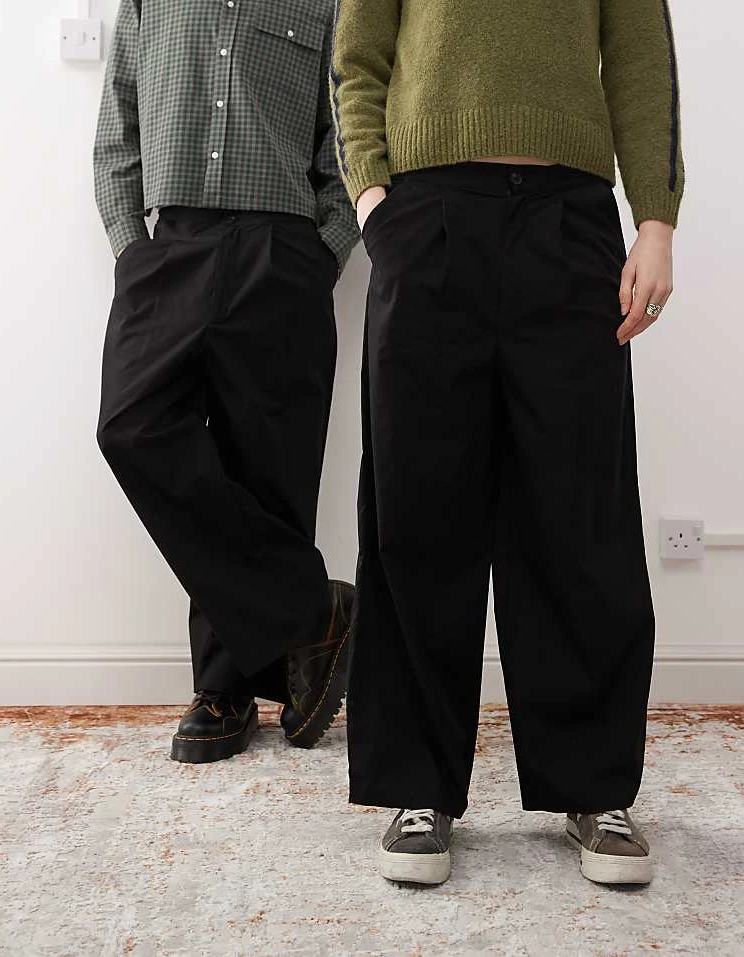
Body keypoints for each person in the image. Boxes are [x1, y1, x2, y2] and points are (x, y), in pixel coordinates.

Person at [331, 0, 683, 885]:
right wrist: (374, 202)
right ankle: (418, 786)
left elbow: (642, 59)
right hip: (426, 214)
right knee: (417, 506)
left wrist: (655, 220)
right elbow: (357, 57)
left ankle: (594, 786)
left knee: (580, 510)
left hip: (569, 219)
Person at [94, 0, 359, 763]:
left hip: (282, 252)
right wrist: (132, 249)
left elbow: (348, 137)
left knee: (267, 467)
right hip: (171, 246)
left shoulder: (327, 5)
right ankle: (314, 613)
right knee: (131, 426)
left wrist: (323, 251)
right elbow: (117, 132)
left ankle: (228, 687)